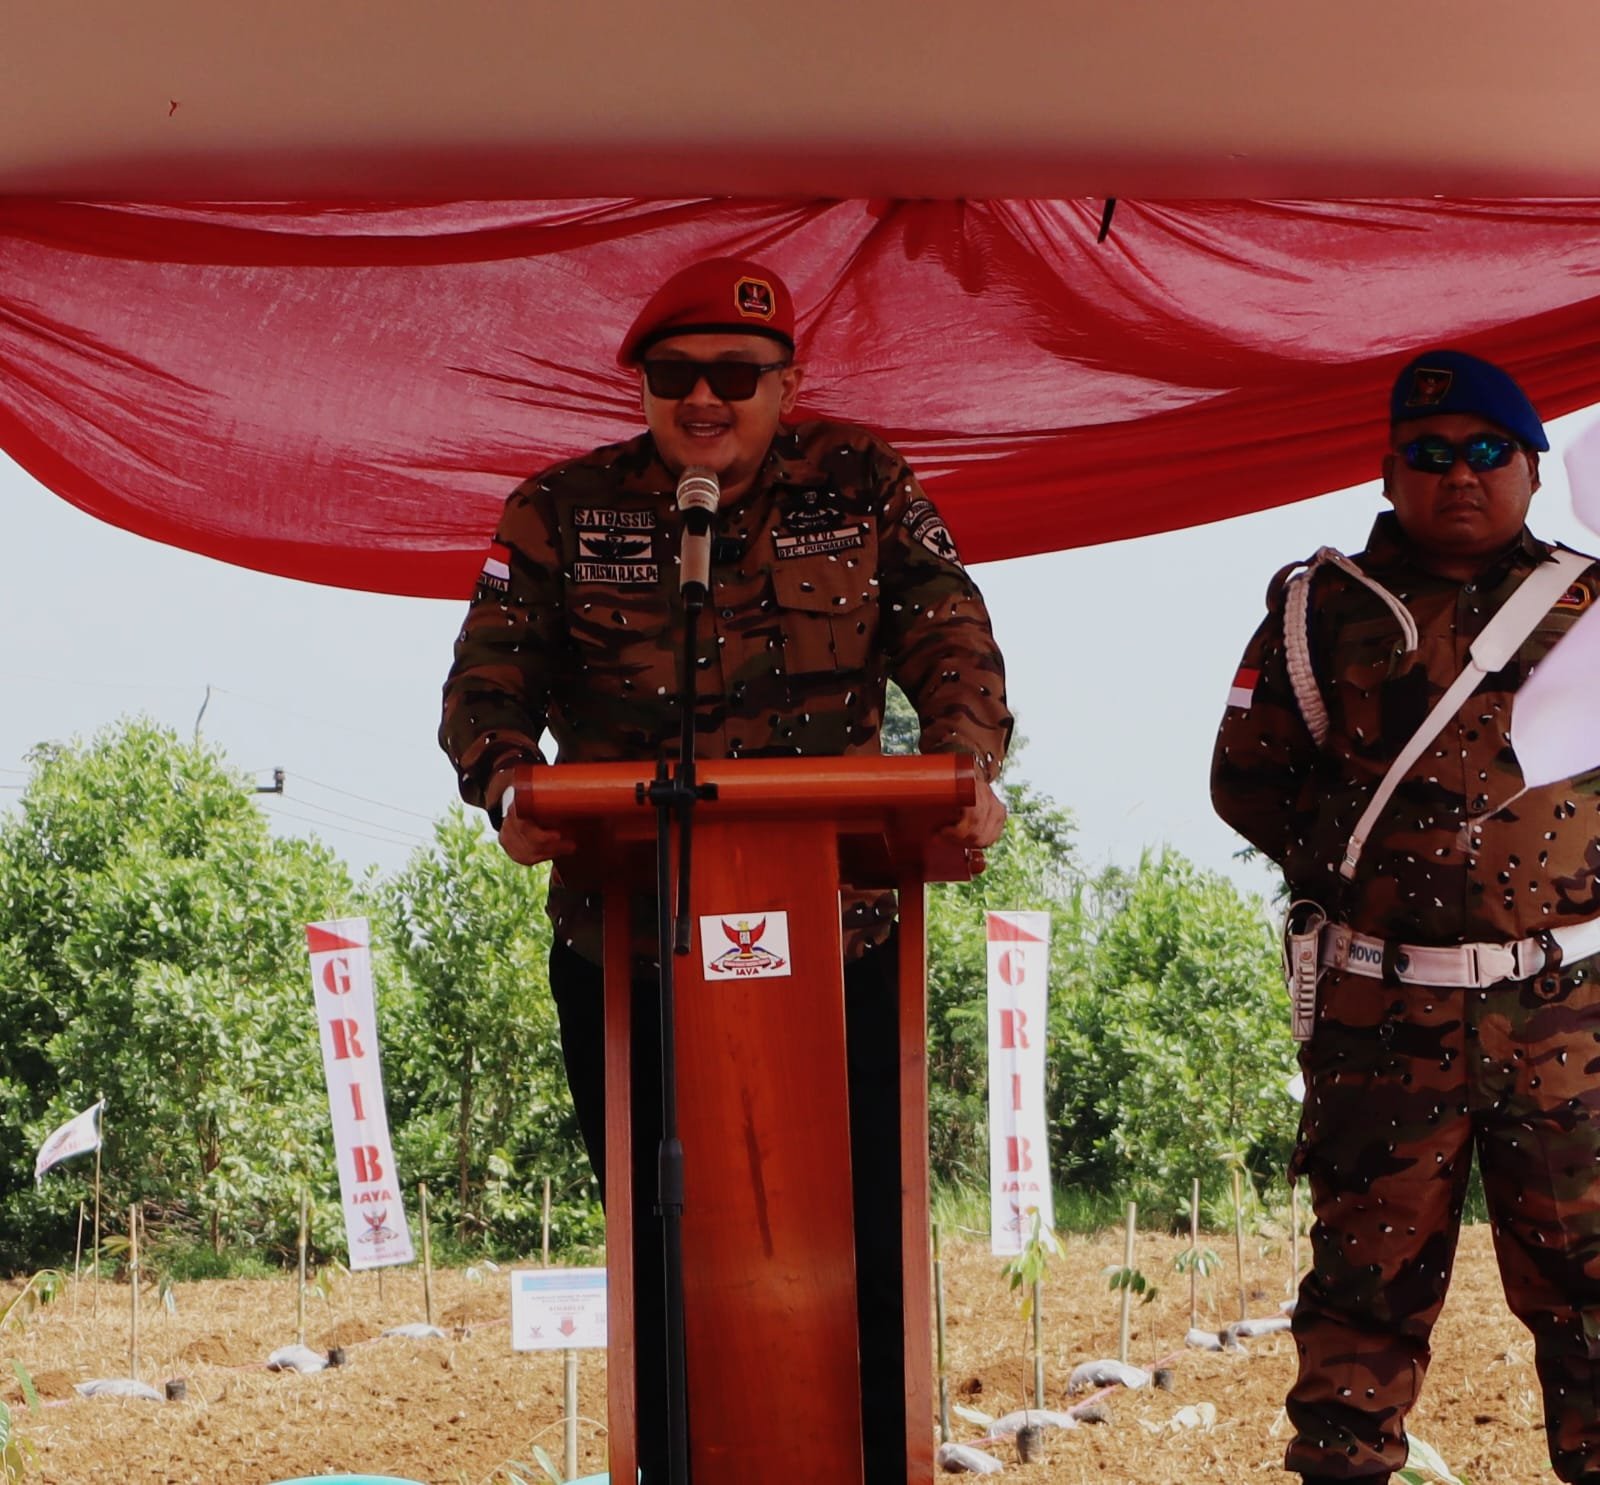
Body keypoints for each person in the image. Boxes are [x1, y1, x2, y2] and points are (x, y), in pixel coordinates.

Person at [440, 255, 1013, 1482]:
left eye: (736, 376)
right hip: (630, 950)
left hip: (839, 945)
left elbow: (950, 633)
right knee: (665, 1259)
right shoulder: (561, 508)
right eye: (675, 375)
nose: (704, 399)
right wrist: (504, 781)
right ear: (642, 387)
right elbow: (487, 681)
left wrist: (966, 768)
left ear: (788, 384)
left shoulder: (860, 482)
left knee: (860, 1256)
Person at [1212, 348, 1600, 1484]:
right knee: (1360, 1299)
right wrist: (1377, 885)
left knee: (1593, 1290)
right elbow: (1248, 780)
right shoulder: (1319, 610)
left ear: (1532, 468)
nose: (1459, 474)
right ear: (1388, 473)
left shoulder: (1590, 609)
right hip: (1385, 1015)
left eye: (1487, 451)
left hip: (1568, 1016)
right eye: (1429, 454)